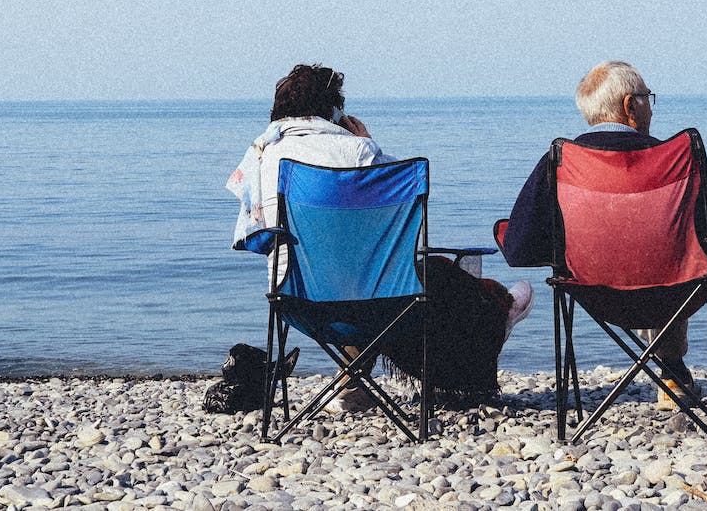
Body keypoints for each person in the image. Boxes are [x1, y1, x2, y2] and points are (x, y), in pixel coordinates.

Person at [227, 63, 532, 404]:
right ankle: (494, 322)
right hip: (378, 303)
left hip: (294, 299)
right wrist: (367, 143)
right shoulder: (359, 151)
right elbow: (403, 185)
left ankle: (351, 386)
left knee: (350, 273)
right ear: (334, 110)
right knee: (431, 277)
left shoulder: (262, 155)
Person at [500, 60, 707, 408]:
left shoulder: (560, 161)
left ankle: (666, 375)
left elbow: (518, 249)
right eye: (647, 96)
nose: (650, 105)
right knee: (679, 254)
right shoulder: (676, 158)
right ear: (630, 105)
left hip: (595, 296)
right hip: (676, 294)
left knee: (652, 253)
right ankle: (672, 372)